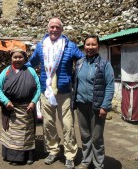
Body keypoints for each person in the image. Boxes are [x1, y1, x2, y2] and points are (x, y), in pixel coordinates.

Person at [26, 17, 84, 169]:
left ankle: (70, 155)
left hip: (64, 93)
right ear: (48, 29)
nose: (54, 29)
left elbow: (82, 61)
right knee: (48, 124)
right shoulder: (41, 46)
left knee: (68, 125)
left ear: (62, 29)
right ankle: (53, 150)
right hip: (46, 92)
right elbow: (31, 63)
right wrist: (16, 70)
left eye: (57, 27)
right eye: (52, 27)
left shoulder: (70, 46)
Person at [71, 35, 115, 169]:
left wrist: (105, 106)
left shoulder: (105, 64)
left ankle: (98, 164)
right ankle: (86, 161)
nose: (90, 47)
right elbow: (75, 82)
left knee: (96, 137)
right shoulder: (79, 63)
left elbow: (110, 85)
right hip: (81, 105)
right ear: (84, 46)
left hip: (97, 106)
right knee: (85, 136)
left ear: (98, 46)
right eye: (88, 45)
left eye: (93, 45)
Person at [0, 47, 41, 166]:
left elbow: (38, 87)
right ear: (11, 59)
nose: (18, 59)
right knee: (13, 135)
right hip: (11, 109)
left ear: (25, 59)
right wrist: (5, 101)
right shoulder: (6, 71)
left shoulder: (30, 70)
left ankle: (29, 156)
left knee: (27, 134)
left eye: (20, 57)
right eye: (15, 57)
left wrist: (33, 102)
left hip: (27, 108)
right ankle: (14, 157)